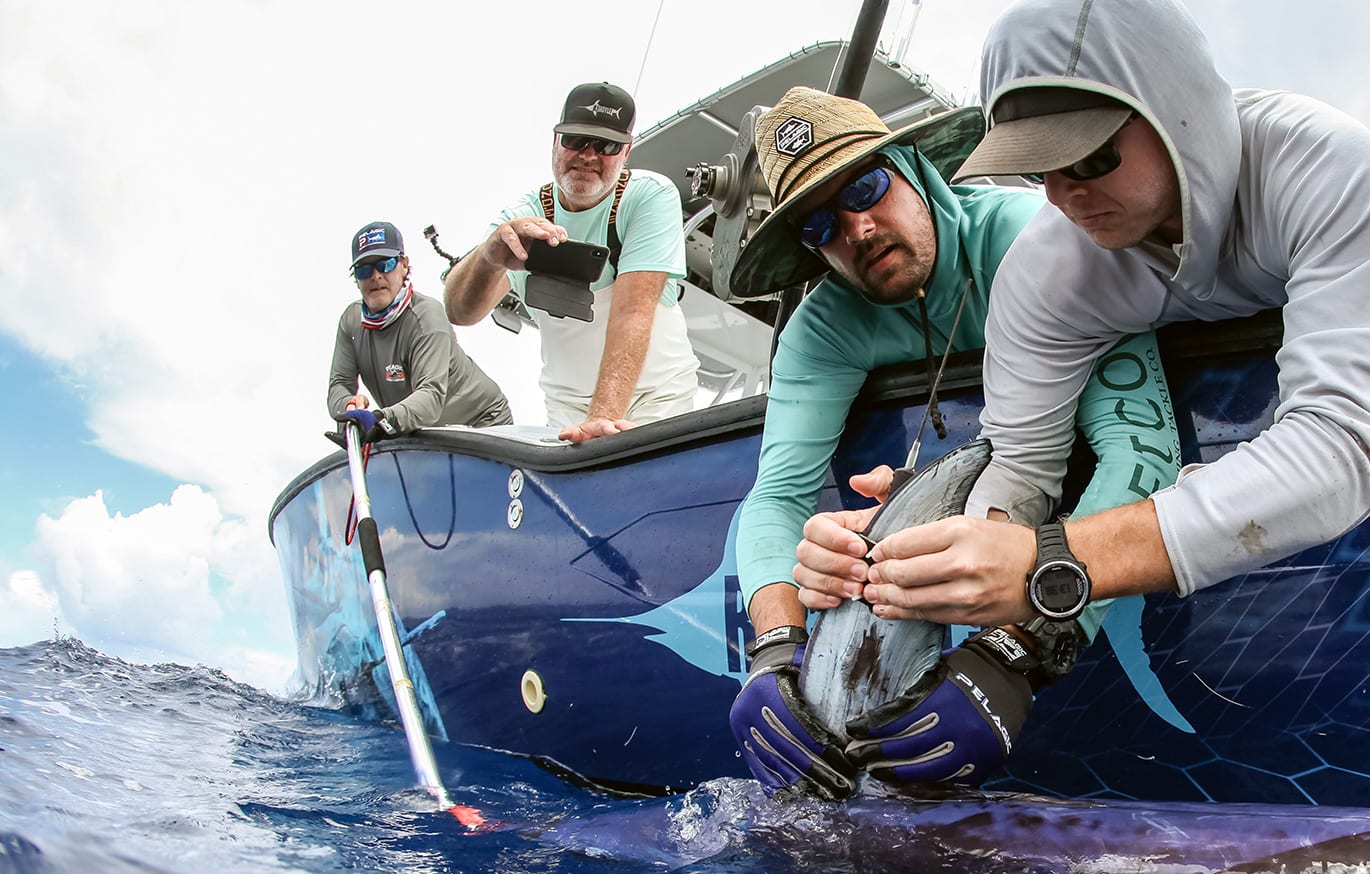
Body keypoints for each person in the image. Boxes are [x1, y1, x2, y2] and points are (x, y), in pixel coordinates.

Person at [794, 0, 1370, 634]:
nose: (1065, 194)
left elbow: (1342, 444)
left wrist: (1056, 562)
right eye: (1038, 166)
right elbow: (1021, 464)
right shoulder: (1046, 267)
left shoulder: (1322, 164)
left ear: (1174, 106)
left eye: (1087, 155)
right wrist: (910, 537)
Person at [724, 87, 1179, 797]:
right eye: (821, 227)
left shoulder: (1040, 237)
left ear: (916, 167)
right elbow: (776, 497)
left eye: (867, 187)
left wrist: (1020, 651)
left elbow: (1141, 453)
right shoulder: (823, 328)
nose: (859, 228)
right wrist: (774, 648)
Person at [444, 82, 700, 443]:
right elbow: (460, 311)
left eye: (607, 145)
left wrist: (602, 421)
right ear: (555, 140)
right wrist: (490, 258)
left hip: (657, 405)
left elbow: (633, 312)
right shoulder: (522, 216)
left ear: (627, 151)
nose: (588, 155)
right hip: (565, 414)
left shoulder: (649, 197)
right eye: (576, 140)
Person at [329, 221, 513, 436]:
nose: (375, 276)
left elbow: (431, 395)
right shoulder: (351, 322)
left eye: (385, 264)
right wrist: (348, 405)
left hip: (483, 422)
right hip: (418, 430)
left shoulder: (427, 317)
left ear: (404, 265)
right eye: (364, 269)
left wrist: (382, 420)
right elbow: (339, 383)